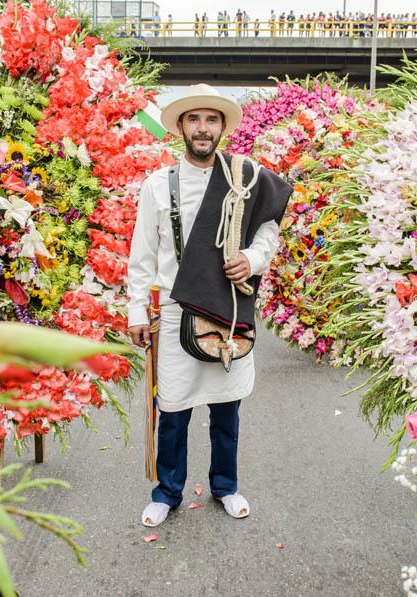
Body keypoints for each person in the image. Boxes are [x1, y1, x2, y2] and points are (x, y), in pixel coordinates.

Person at [127, 85, 292, 527]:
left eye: (211, 120)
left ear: (222, 128)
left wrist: (252, 260)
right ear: (181, 127)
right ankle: (167, 492)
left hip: (230, 308)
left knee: (227, 407)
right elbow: (142, 256)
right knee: (174, 410)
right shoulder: (157, 185)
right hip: (179, 311)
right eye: (194, 120)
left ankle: (226, 486)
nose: (203, 129)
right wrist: (137, 312)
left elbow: (269, 233)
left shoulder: (247, 176)